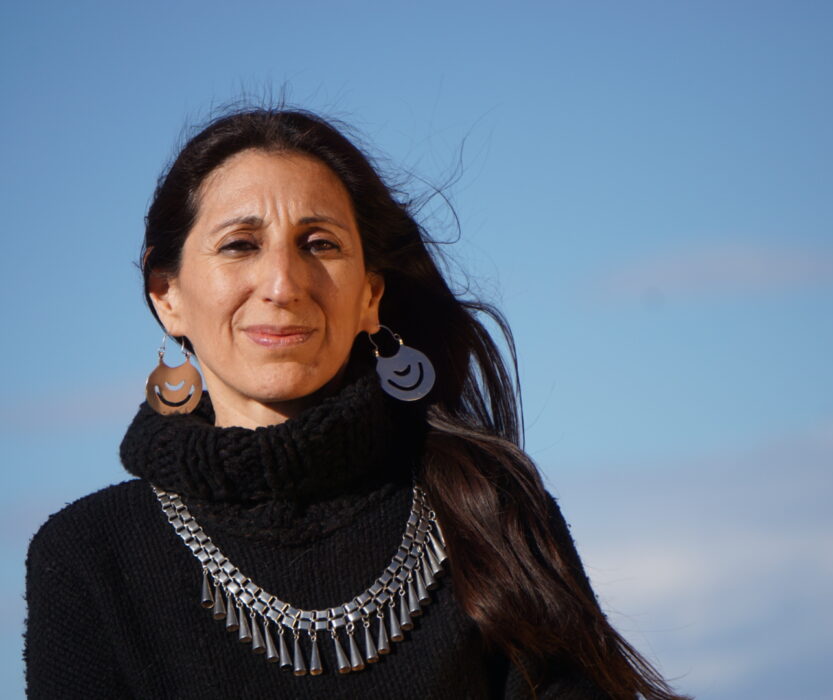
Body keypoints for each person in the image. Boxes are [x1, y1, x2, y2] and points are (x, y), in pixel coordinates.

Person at [25, 108, 686, 699]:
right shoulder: (88, 556)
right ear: (166, 295)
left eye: (320, 244)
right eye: (240, 245)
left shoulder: (487, 506)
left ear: (370, 296)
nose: (283, 283)